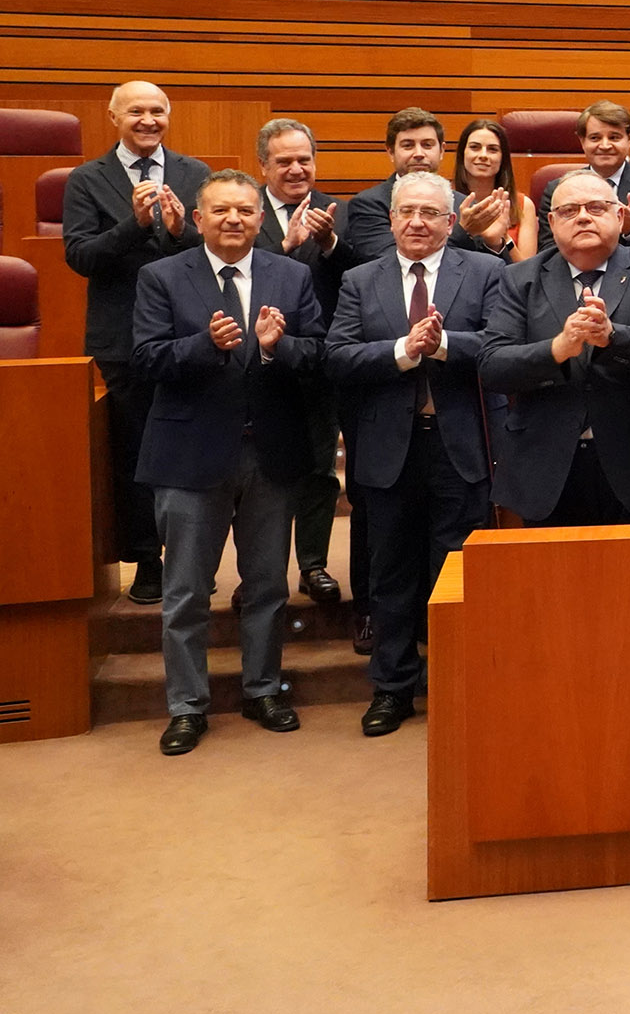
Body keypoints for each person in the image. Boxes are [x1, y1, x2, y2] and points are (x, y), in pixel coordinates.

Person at [129, 171, 326, 755]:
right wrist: (203, 346)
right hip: (190, 457)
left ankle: (263, 690)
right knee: (186, 592)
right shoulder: (161, 276)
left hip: (270, 453)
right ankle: (187, 706)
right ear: (198, 218)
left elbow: (316, 352)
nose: (234, 219)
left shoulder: (292, 275)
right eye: (220, 211)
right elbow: (143, 359)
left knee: (266, 586)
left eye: (244, 210)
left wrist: (275, 347)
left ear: (260, 218)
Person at [327, 172, 501, 738]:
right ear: (392, 218)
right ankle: (392, 688)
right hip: (385, 451)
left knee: (455, 575)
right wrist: (404, 350)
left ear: (451, 222)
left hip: (460, 448)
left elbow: (502, 346)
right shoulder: (359, 279)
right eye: (408, 212)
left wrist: (445, 345)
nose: (418, 223)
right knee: (391, 576)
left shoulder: (485, 272)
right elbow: (339, 357)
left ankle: (456, 685)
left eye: (430, 213)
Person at [62, 81, 207, 602]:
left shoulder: (195, 174)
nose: (148, 120)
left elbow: (215, 244)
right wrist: (135, 224)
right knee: (137, 451)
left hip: (191, 331)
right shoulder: (86, 178)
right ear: (113, 117)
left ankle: (194, 558)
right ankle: (147, 558)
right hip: (123, 338)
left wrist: (177, 231)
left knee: (193, 447)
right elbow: (80, 257)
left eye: (158, 111)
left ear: (170, 115)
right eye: (136, 112)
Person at [477, 169, 630, 527]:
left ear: (620, 217)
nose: (584, 217)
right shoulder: (519, 279)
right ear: (552, 223)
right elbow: (493, 366)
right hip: (547, 467)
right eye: (570, 211)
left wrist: (612, 337)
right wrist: (557, 348)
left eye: (596, 208)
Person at [254, 117, 350, 605]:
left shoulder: (339, 211)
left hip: (318, 359)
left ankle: (313, 565)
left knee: (318, 468)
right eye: (284, 161)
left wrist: (330, 244)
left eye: (304, 159)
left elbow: (358, 276)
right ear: (263, 166)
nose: (296, 169)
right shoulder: (242, 207)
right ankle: (259, 575)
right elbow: (226, 265)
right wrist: (284, 247)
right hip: (257, 362)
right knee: (260, 474)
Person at [342, 109, 495, 265]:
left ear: (442, 150)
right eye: (408, 145)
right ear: (391, 152)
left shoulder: (465, 205)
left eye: (427, 145)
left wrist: (497, 243)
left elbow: (486, 269)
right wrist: (463, 231)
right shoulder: (368, 204)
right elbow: (390, 262)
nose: (419, 153)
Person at [540, 101, 630, 262]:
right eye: (595, 138)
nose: (605, 145)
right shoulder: (557, 190)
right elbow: (547, 253)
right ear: (582, 141)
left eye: (614, 137)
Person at [452, 117, 536, 263]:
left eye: (492, 149)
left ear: (503, 158)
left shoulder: (523, 204)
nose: (483, 155)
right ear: (462, 154)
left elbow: (528, 275)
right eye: (475, 147)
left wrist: (503, 239)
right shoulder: (443, 199)